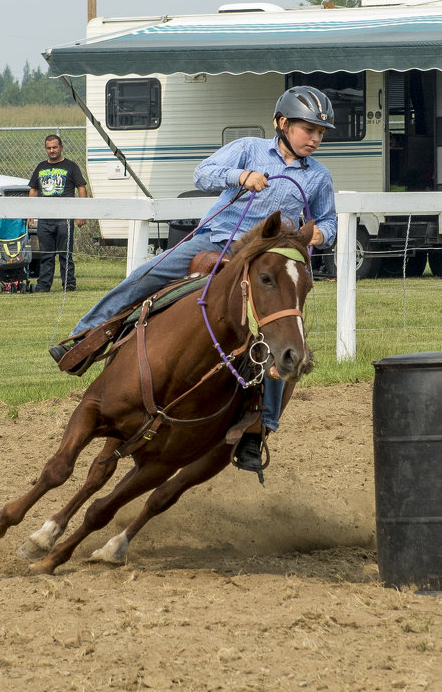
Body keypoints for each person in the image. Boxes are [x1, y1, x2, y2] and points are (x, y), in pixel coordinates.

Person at [50, 86, 338, 475]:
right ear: (283, 124)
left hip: (259, 264)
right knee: (146, 276)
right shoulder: (249, 149)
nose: (316, 139)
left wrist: (319, 235)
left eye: (321, 133)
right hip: (213, 240)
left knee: (275, 340)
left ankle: (258, 428)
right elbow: (202, 173)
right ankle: (86, 337)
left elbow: (329, 221)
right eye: (310, 130)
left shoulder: (318, 178)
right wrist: (243, 176)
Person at [28, 134, 89, 292]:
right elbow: (33, 190)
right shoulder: (41, 167)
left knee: (65, 254)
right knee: (46, 255)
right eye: (49, 148)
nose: (52, 150)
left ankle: (68, 284)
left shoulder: (71, 166)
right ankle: (43, 285)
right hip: (45, 219)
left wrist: (81, 213)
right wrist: (30, 213)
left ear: (61, 147)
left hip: (65, 219)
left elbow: (81, 188)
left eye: (55, 147)